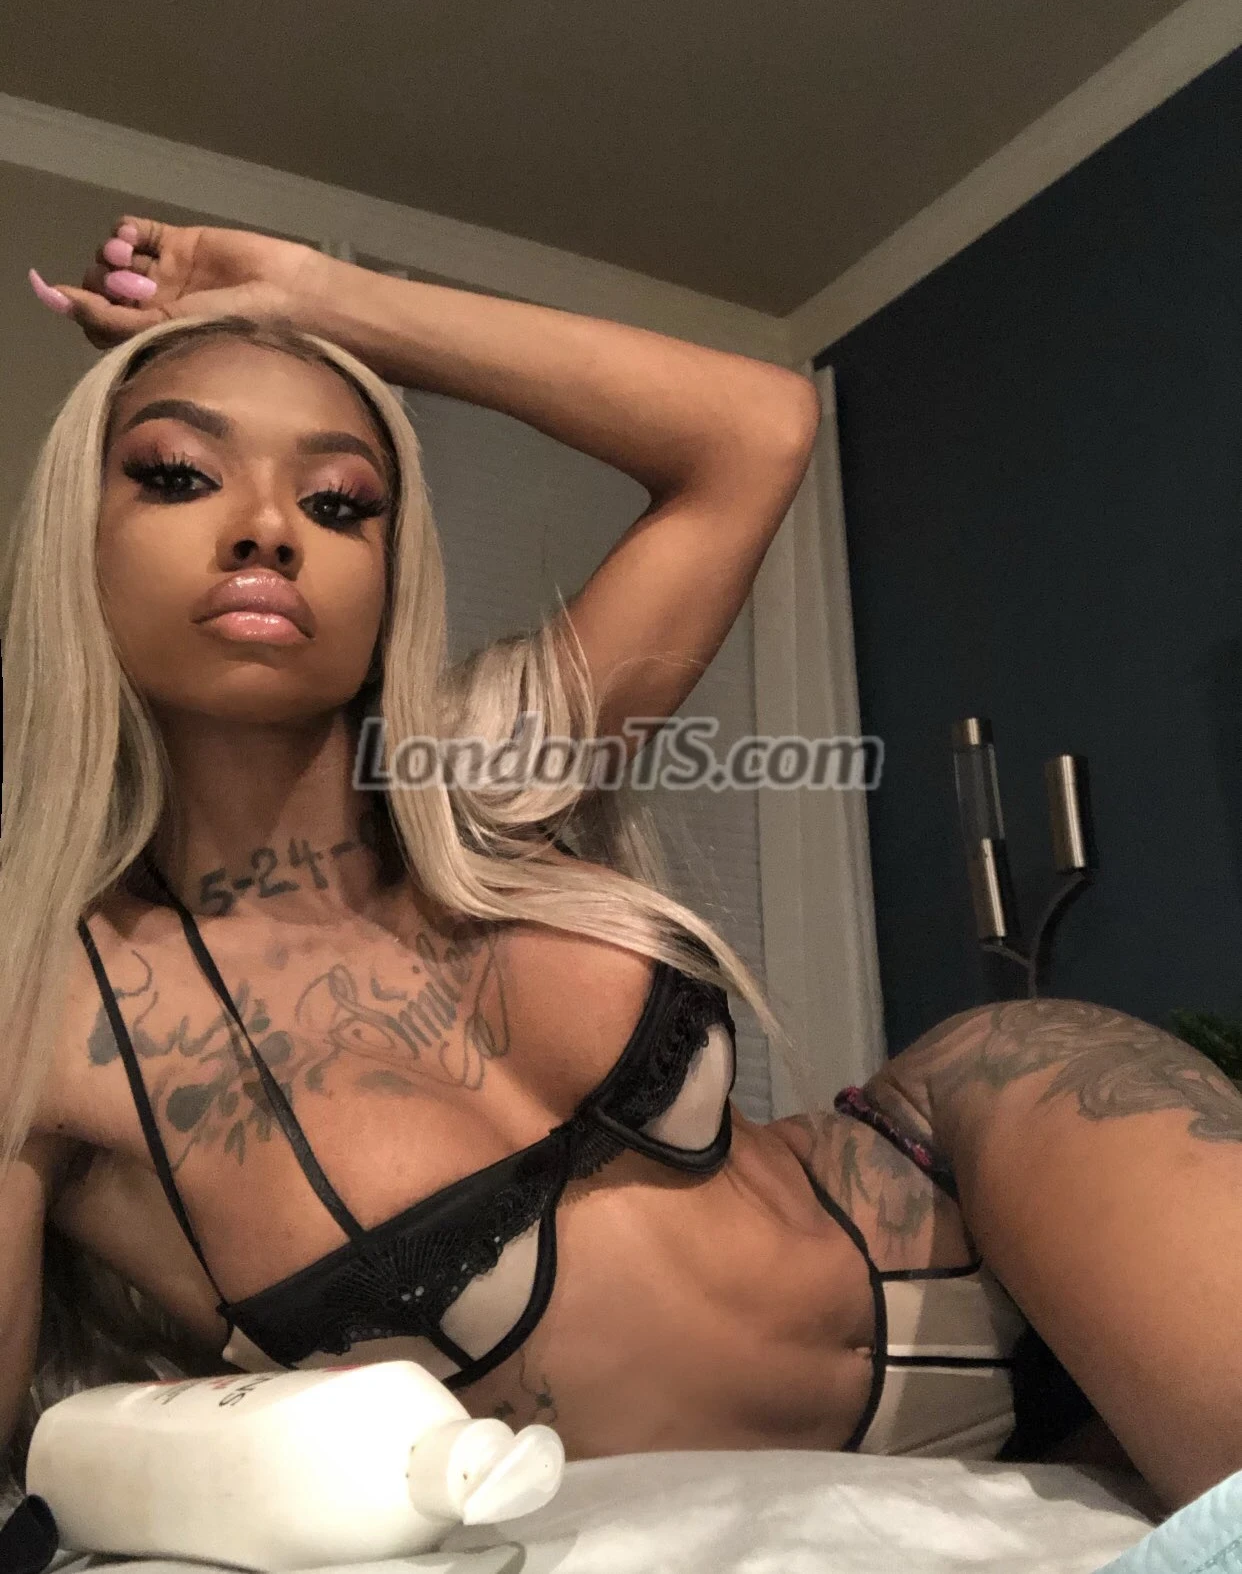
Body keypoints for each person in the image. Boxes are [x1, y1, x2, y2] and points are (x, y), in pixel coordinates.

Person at [1, 220, 1237, 1520]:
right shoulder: (48, 1014)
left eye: (339, 500)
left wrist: (320, 296)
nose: (267, 528)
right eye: (179, 476)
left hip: (976, 1176)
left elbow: (754, 430)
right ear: (77, 539)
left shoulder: (491, 771)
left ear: (390, 574)